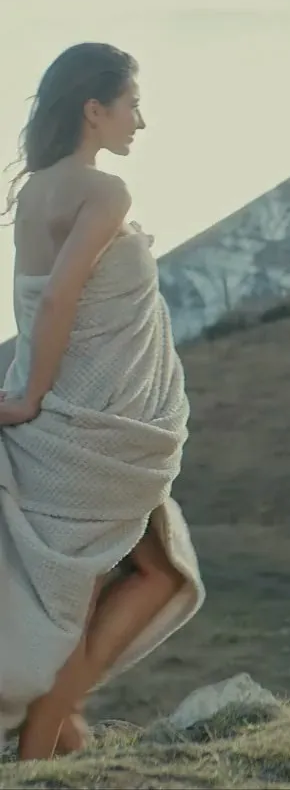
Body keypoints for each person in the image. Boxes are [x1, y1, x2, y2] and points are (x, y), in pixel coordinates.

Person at [0, 42, 203, 760]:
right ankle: (40, 748)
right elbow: (57, 300)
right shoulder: (104, 191)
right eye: (131, 105)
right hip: (91, 431)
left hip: (76, 425)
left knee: (145, 575)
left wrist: (30, 391)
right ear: (94, 109)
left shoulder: (36, 192)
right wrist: (30, 396)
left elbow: (35, 304)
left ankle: (60, 734)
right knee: (137, 581)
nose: (138, 122)